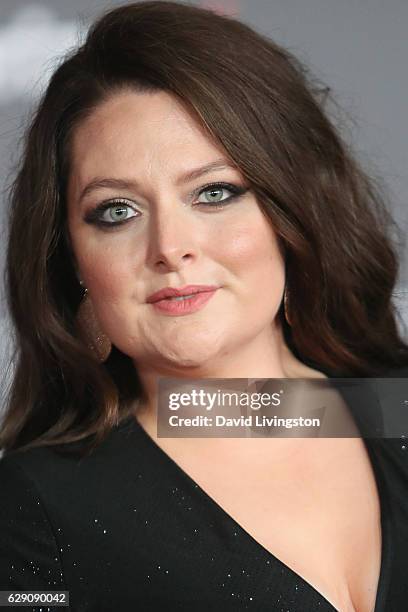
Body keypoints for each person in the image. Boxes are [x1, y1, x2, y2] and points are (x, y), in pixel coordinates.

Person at [0, 1, 407, 610]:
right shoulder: (38, 507)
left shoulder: (394, 411)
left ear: (288, 216)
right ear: (74, 263)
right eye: (117, 211)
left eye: (213, 193)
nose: (171, 248)